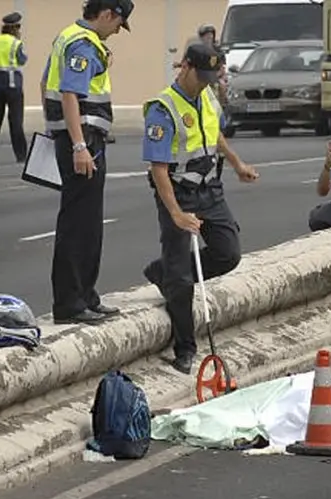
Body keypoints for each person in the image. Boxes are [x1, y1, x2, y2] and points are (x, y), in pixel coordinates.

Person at [141, 42, 260, 374]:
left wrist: (237, 163)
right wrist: (177, 214)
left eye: (212, 75)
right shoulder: (163, 109)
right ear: (185, 67)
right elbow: (159, 169)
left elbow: (216, 134)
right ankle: (185, 347)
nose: (207, 81)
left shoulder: (207, 96)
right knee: (181, 277)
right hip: (179, 193)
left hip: (211, 188)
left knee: (228, 253)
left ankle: (162, 272)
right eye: (202, 74)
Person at [41, 0, 133, 324]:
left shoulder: (68, 36)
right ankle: (69, 303)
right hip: (84, 141)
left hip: (80, 138)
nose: (117, 32)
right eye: (118, 24)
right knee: (78, 224)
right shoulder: (83, 45)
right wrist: (78, 144)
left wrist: (56, 129)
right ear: (107, 14)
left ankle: (86, 296)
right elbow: (69, 93)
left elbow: (45, 84)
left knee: (89, 222)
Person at [0, 12, 29, 164]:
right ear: (15, 28)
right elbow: (21, 60)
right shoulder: (16, 43)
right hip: (12, 87)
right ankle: (21, 156)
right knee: (15, 121)